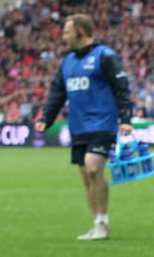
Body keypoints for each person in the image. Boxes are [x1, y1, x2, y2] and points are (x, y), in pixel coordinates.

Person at [35, 14, 133, 241]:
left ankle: (102, 222)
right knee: (86, 176)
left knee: (93, 167)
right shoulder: (67, 61)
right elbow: (57, 92)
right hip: (78, 126)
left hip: (102, 123)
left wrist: (126, 118)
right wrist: (47, 117)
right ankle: (97, 222)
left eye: (67, 31)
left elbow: (121, 87)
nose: (64, 36)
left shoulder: (105, 56)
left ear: (80, 32)